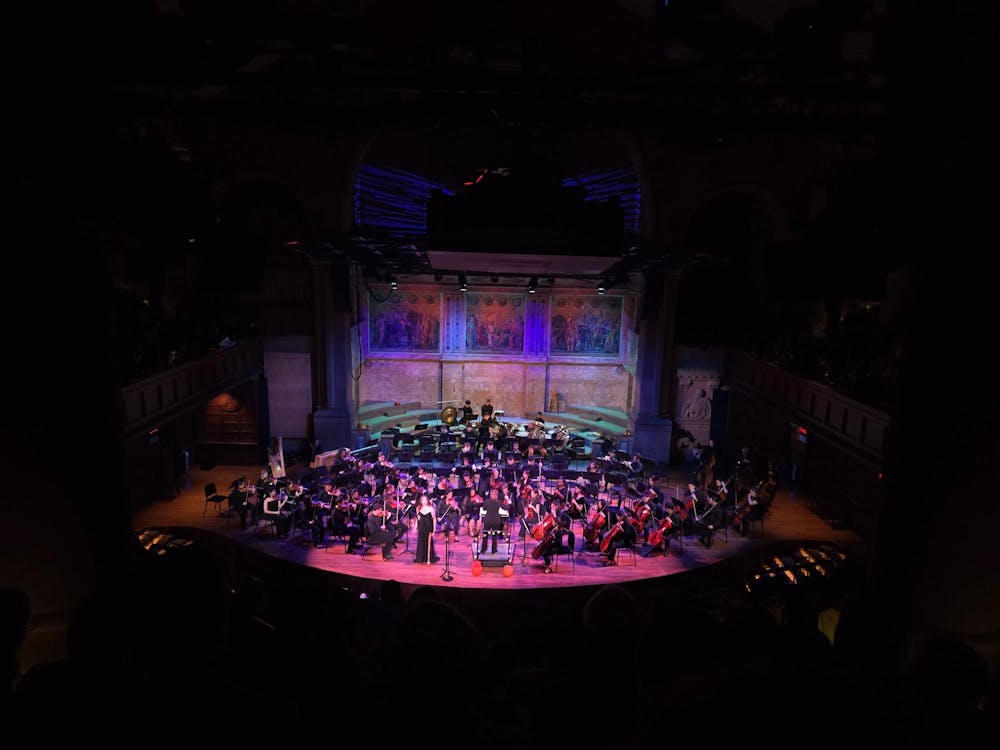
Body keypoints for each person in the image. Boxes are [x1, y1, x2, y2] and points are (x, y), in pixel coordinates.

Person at [414, 494, 440, 565]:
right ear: (420, 501)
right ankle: (420, 558)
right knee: (421, 543)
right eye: (423, 500)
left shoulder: (431, 508)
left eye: (425, 500)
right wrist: (415, 527)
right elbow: (418, 519)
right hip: (421, 528)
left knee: (428, 544)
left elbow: (434, 519)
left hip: (428, 528)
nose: (424, 501)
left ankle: (428, 559)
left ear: (427, 500)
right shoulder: (418, 508)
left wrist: (434, 530)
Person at [479, 488, 505, 555]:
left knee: (485, 535)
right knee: (494, 536)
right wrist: (509, 503)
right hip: (496, 521)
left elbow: (484, 509)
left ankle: (483, 549)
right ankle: (494, 550)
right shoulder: (498, 501)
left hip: (488, 520)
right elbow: (505, 508)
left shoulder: (487, 501)